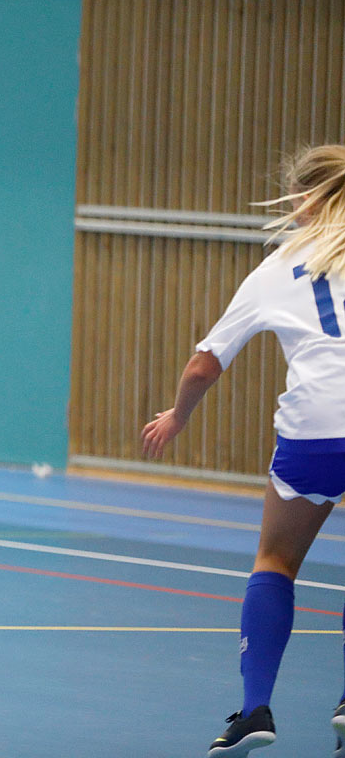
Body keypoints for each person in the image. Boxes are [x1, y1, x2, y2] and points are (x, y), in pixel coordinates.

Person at [141, 144, 345, 758]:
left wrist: (179, 415)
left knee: (275, 561)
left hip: (315, 426)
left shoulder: (280, 267)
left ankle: (255, 709)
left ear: (304, 199)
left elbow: (204, 366)